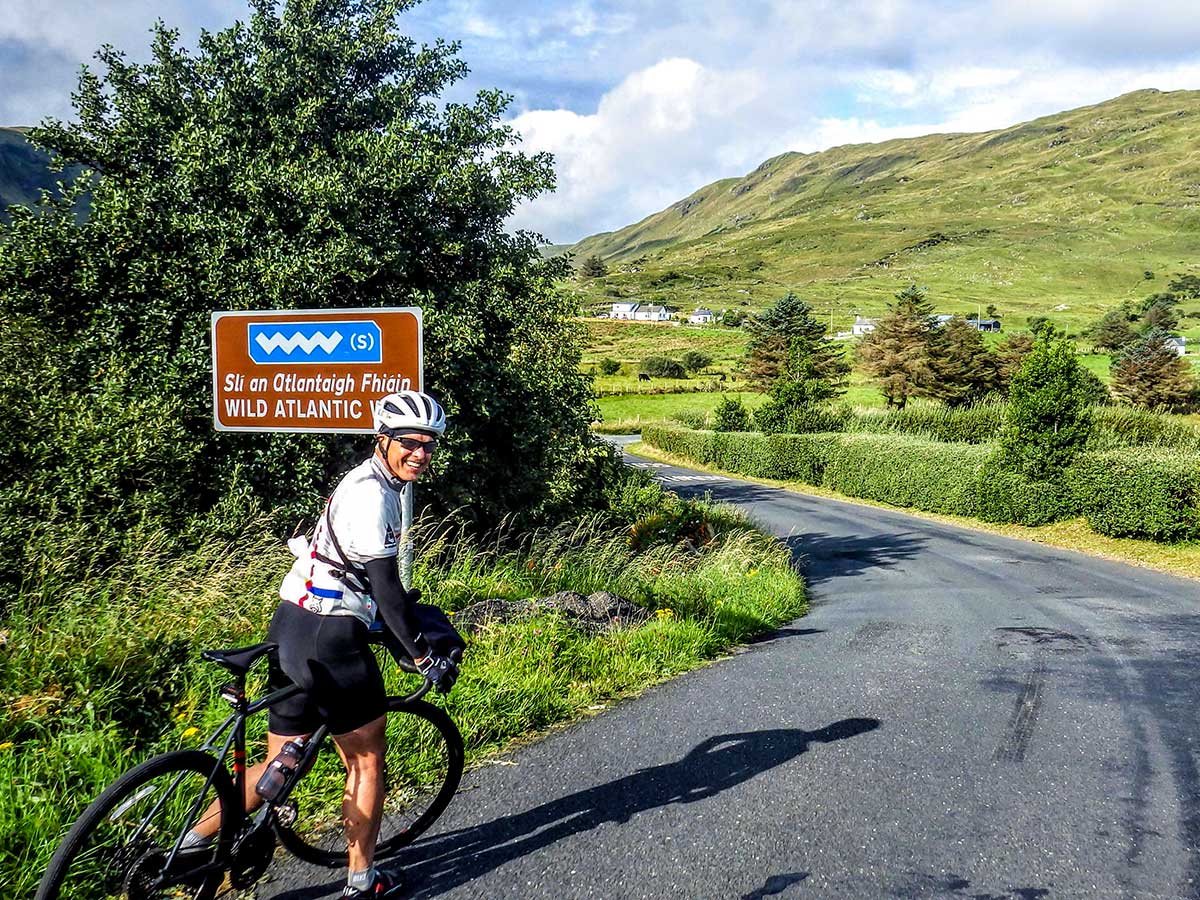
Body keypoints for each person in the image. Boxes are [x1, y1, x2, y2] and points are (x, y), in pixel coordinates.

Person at [184, 389, 459, 898]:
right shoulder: (376, 495)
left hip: (290, 623)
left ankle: (191, 847)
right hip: (331, 639)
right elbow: (386, 590)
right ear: (383, 439)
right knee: (365, 760)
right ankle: (361, 880)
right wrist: (423, 655)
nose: (420, 453)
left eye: (429, 444)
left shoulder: (362, 479)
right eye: (409, 442)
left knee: (279, 760)